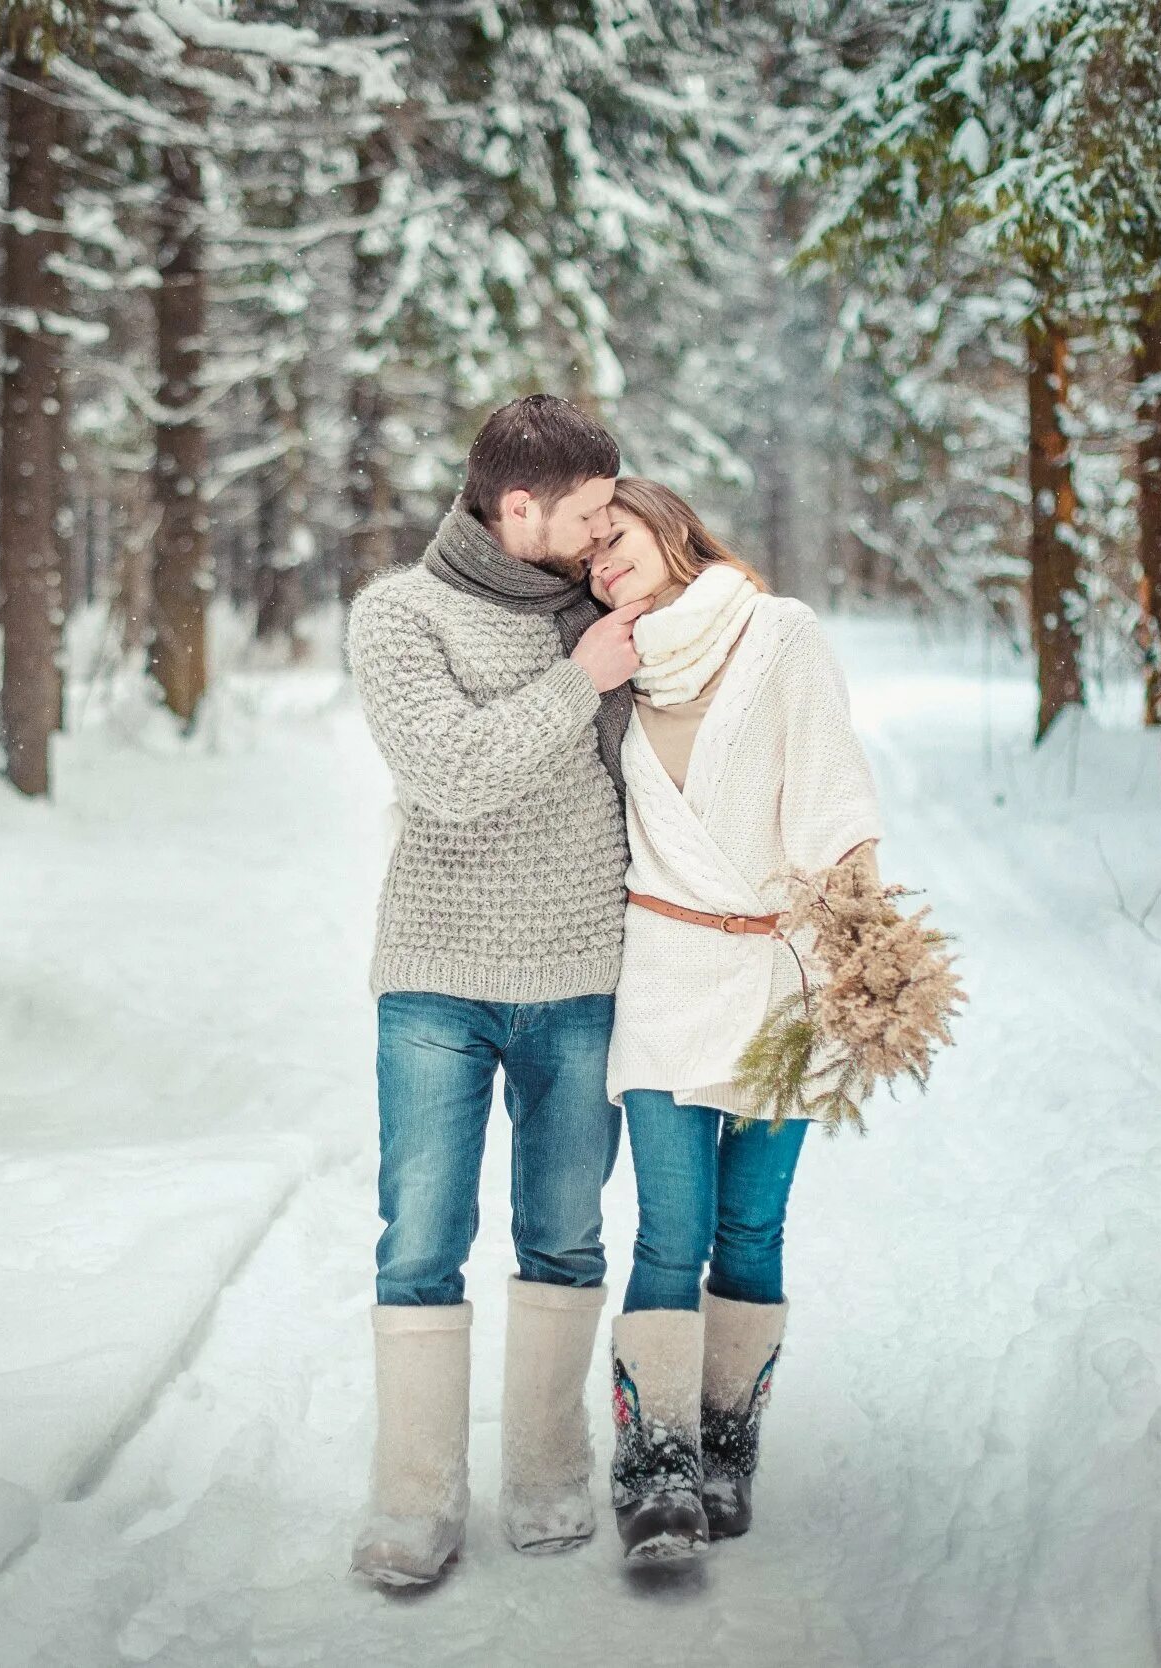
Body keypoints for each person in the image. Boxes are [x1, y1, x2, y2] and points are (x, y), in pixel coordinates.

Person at [342, 395, 651, 1587]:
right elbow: (452, 774)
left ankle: (546, 1469)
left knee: (566, 1234)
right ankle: (415, 1500)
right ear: (516, 506)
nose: (598, 532)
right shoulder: (400, 615)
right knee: (420, 1239)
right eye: (583, 513)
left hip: (583, 973)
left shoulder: (606, 607)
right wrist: (580, 678)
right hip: (437, 979)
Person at [587, 478, 883, 1563]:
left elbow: (835, 795)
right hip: (662, 971)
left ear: (667, 527)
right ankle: (653, 1460)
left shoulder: (777, 636)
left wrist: (864, 949)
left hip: (781, 975)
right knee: (670, 1228)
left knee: (750, 1229)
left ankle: (725, 1443)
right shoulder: (607, 667)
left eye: (611, 540)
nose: (599, 565)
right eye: (585, 559)